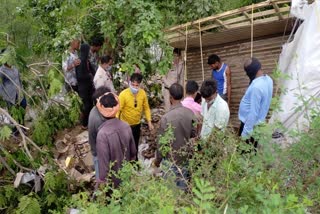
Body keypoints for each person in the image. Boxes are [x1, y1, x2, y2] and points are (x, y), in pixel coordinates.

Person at [154, 83, 196, 190]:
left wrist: (157, 160)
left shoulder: (166, 118)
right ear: (182, 96)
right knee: (182, 189)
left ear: (170, 97)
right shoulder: (190, 113)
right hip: (184, 158)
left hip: (170, 160)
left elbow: (161, 144)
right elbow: (194, 135)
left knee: (169, 192)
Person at [96, 92, 136, 188]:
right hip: (126, 177)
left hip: (112, 185)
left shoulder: (102, 134)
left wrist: (101, 187)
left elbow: (104, 168)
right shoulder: (126, 126)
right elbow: (133, 154)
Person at [238, 58, 273, 148]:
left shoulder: (256, 88)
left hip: (250, 125)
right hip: (257, 123)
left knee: (244, 153)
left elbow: (253, 112)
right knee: (252, 151)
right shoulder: (268, 79)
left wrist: (245, 134)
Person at [117, 73, 154, 155]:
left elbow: (146, 108)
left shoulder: (142, 93)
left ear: (140, 85)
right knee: (126, 146)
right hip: (125, 125)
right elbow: (118, 111)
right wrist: (116, 124)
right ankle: (126, 163)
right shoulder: (123, 95)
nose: (134, 87)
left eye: (137, 85)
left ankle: (135, 161)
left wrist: (149, 122)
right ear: (129, 83)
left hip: (137, 124)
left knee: (135, 144)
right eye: (132, 85)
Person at [88, 86, 111, 180]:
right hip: (100, 153)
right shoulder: (99, 120)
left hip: (97, 150)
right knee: (102, 177)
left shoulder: (95, 109)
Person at [0, 55, 27, 125]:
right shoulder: (1, 71)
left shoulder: (15, 67)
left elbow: (19, 79)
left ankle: (22, 125)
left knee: (23, 106)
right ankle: (15, 130)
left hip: (20, 93)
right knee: (13, 113)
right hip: (10, 95)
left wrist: (22, 90)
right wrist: (5, 96)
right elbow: (0, 85)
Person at [76, 43, 95, 129]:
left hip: (89, 86)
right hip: (83, 87)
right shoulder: (80, 62)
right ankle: (84, 124)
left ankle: (89, 122)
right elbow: (80, 76)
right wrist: (89, 75)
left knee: (91, 104)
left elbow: (92, 70)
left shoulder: (87, 61)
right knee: (86, 106)